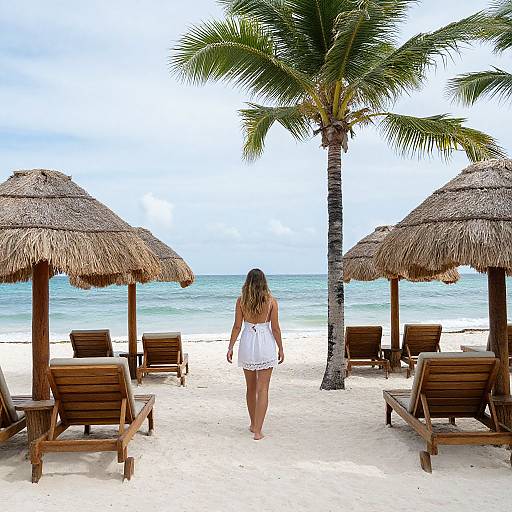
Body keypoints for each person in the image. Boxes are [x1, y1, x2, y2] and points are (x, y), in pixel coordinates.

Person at [227, 268, 284, 440]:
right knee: (263, 388)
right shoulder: (272, 302)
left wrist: (230, 347)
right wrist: (281, 348)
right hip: (265, 344)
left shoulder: (241, 301)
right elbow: (275, 328)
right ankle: (258, 430)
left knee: (251, 388)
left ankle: (253, 424)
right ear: (263, 282)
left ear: (248, 283)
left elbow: (237, 326)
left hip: (247, 343)